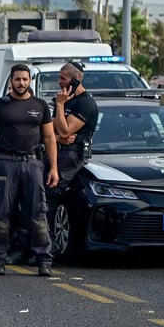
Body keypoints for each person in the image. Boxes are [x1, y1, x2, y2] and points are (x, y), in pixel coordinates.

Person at [0, 63, 59, 277]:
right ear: (11, 81)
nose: (21, 83)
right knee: (1, 214)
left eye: (25, 79)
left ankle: (44, 259)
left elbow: (50, 137)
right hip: (5, 164)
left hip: (33, 165)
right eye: (17, 79)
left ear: (30, 81)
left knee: (38, 214)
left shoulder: (40, 105)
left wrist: (53, 168)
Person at [47, 60, 98, 218]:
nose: (59, 82)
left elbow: (65, 131)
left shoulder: (85, 103)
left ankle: (47, 236)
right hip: (56, 150)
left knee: (51, 190)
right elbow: (52, 128)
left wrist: (61, 105)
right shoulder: (62, 98)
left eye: (63, 78)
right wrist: (57, 137)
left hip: (73, 154)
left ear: (76, 81)